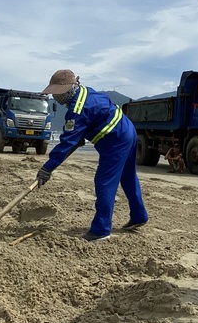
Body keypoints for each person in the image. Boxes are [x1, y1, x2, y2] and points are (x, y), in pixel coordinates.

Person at [36, 69, 148, 241]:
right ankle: (139, 216)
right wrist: (79, 136)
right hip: (128, 130)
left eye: (58, 93)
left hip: (115, 139)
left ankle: (101, 230)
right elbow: (85, 127)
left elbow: (67, 142)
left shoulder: (77, 110)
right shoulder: (86, 92)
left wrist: (47, 168)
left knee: (104, 182)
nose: (56, 98)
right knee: (128, 177)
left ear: (69, 89)